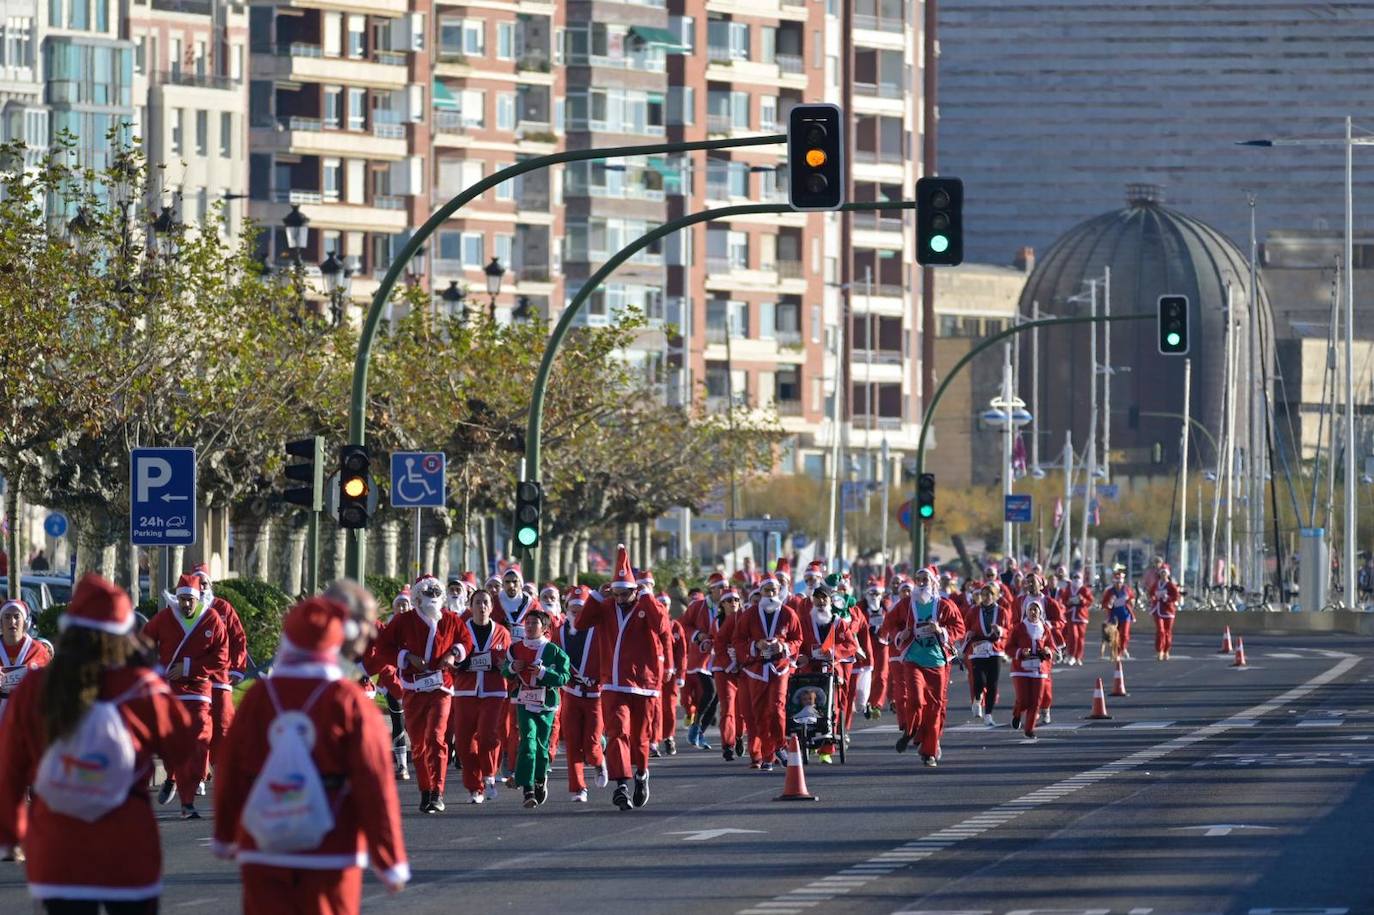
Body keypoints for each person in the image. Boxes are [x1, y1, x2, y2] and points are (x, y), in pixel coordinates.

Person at [0, 573, 197, 912]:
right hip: (128, 848)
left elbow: (9, 772)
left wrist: (12, 834)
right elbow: (183, 748)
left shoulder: (34, 688)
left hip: (57, 850)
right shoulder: (142, 688)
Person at [213, 595, 409, 914]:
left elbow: (229, 770)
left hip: (264, 844)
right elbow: (375, 784)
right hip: (331, 848)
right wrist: (389, 859)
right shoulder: (349, 702)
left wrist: (224, 834)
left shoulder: (259, 698)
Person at [574, 545, 673, 810]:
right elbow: (580, 623)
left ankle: (641, 774)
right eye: (615, 593)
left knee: (640, 739)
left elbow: (662, 626)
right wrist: (595, 595)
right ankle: (620, 786)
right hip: (613, 683)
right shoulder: (605, 607)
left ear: (634, 590)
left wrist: (648, 596)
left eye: (624, 594)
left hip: (644, 685)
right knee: (618, 733)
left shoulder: (646, 606)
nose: (618, 599)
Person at [369, 574, 473, 813]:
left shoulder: (450, 619)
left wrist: (453, 654)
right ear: (417, 597)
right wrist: (406, 658)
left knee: (437, 738)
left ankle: (438, 791)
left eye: (437, 592)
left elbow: (465, 641)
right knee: (418, 744)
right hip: (414, 688)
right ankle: (425, 789)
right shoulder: (403, 621)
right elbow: (383, 647)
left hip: (441, 687)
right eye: (428, 592)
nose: (433, 597)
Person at [143, 573, 229, 818]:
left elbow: (221, 656)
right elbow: (144, 644)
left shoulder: (211, 619)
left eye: (190, 599)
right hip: (171, 693)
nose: (186, 604)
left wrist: (189, 667)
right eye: (182, 599)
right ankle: (176, 784)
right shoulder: (165, 618)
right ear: (177, 599)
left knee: (201, 740)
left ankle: (188, 796)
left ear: (198, 599)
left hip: (200, 692)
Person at [882, 566, 966, 767]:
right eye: (918, 580)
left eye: (925, 580)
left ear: (934, 582)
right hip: (913, 659)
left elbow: (959, 627)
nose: (921, 584)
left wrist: (942, 630)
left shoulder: (944, 604)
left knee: (935, 708)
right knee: (916, 701)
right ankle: (911, 731)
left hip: (937, 661)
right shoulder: (905, 604)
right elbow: (889, 624)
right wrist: (899, 635)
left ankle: (928, 752)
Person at [501, 608, 570, 808]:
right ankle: (527, 787)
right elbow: (506, 670)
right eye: (527, 623)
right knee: (528, 741)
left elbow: (564, 677)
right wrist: (513, 668)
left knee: (541, 746)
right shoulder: (515, 649)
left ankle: (540, 778)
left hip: (546, 702)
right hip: (523, 700)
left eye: (535, 623)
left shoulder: (554, 651)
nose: (530, 627)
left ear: (545, 628)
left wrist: (543, 673)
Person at [733, 574, 802, 771]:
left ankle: (780, 745)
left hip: (779, 667)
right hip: (756, 669)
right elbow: (738, 640)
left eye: (774, 590)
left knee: (777, 708)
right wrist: (756, 645)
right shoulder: (750, 614)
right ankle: (768, 755)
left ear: (779, 591)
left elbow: (798, 639)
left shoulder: (788, 613)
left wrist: (784, 646)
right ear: (760, 592)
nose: (771, 594)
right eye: (767, 590)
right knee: (759, 713)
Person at [450, 588, 510, 804]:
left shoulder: (502, 632)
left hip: (494, 691)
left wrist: (501, 664)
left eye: (485, 602)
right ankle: (475, 788)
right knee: (464, 744)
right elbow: (452, 662)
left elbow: (506, 660)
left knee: (488, 736)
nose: (482, 606)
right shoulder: (460, 630)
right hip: (466, 691)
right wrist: (464, 663)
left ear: (491, 607)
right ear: (470, 605)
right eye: (477, 602)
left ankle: (490, 775)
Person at [190, 564, 249, 766]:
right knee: (198, 725)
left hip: (221, 677)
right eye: (198, 585)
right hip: (195, 678)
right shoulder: (187, 611)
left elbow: (238, 638)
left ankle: (222, 766)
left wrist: (237, 667)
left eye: (204, 584)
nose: (202, 588)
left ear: (211, 585)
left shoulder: (223, 608)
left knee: (223, 724)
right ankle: (200, 771)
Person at [555, 586, 607, 802]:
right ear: (566, 609)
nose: (576, 613)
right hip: (570, 694)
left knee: (592, 742)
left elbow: (608, 657)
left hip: (595, 695)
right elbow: (555, 660)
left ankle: (597, 760)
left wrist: (600, 679)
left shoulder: (599, 630)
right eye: (573, 609)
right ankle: (579, 788)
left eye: (581, 609)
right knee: (572, 742)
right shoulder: (559, 632)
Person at [796, 584, 857, 763]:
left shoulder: (838, 623)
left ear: (830, 601)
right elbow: (797, 642)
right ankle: (808, 737)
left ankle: (826, 749)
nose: (821, 601)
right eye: (817, 598)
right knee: (808, 703)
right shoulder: (804, 622)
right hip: (810, 670)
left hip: (831, 670)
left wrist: (835, 651)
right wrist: (802, 656)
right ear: (812, 601)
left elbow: (851, 645)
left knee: (833, 708)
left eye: (824, 598)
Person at [681, 572, 725, 750]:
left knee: (715, 699)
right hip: (701, 658)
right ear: (711, 589)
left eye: (725, 587)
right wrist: (698, 635)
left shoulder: (729, 606)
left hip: (719, 658)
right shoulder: (698, 606)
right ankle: (696, 723)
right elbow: (683, 625)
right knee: (710, 691)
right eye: (720, 587)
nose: (723, 591)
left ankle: (699, 731)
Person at [1008, 601, 1056, 740]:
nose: (1033, 612)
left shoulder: (1045, 629)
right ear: (1026, 612)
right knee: (1023, 699)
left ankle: (1029, 729)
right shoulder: (1019, 628)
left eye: (1036, 610)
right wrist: (1020, 652)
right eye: (1030, 610)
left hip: (1039, 669)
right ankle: (1017, 713)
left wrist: (1047, 651)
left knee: (1036, 701)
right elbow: (1008, 647)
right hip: (1021, 668)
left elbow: (1051, 647)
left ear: (1040, 613)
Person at [962, 583, 1010, 725]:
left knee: (992, 683)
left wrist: (1000, 630)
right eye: (984, 594)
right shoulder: (974, 611)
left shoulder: (1001, 611)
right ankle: (977, 699)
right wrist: (968, 634)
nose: (986, 597)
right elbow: (965, 627)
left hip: (995, 649)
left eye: (989, 594)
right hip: (978, 649)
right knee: (979, 680)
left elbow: (1008, 630)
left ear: (995, 596)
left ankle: (988, 714)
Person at [1, 599, 52, 723]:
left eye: (16, 617)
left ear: (26, 623)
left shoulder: (39, 651)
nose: (12, 621)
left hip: (28, 718)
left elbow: (51, 686)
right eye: (7, 617)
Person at [650, 612, 686, 757]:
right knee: (655, 708)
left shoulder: (675, 626)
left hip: (670, 675)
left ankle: (669, 736)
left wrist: (680, 673)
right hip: (653, 673)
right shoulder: (649, 624)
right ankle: (654, 740)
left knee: (669, 707)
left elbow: (681, 652)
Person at [1099, 569, 1137, 659]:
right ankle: (1117, 652)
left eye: (1120, 582)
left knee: (1125, 634)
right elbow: (1103, 604)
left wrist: (1131, 602)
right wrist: (1108, 604)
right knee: (1116, 635)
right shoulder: (1110, 591)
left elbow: (1132, 598)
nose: (1118, 584)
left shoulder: (1127, 589)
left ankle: (1123, 648)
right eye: (1117, 582)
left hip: (1125, 614)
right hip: (1114, 616)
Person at [1059, 569, 1093, 666]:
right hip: (1071, 615)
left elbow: (1090, 601)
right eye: (1075, 577)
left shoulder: (1084, 589)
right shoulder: (1069, 589)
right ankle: (1071, 655)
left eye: (1078, 578)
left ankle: (1078, 656)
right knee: (1073, 636)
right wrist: (1068, 602)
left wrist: (1082, 600)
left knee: (1080, 638)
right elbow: (1064, 599)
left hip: (1081, 616)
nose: (1076, 579)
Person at [1150, 565, 1181, 660]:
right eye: (1162, 573)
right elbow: (1151, 593)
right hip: (1158, 610)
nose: (1163, 575)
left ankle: (1166, 650)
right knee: (1160, 630)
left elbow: (1176, 596)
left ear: (1168, 574)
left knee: (1167, 632)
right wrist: (1154, 597)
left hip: (1168, 611)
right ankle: (1160, 650)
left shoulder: (1171, 585)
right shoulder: (1156, 584)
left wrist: (1167, 598)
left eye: (1165, 573)